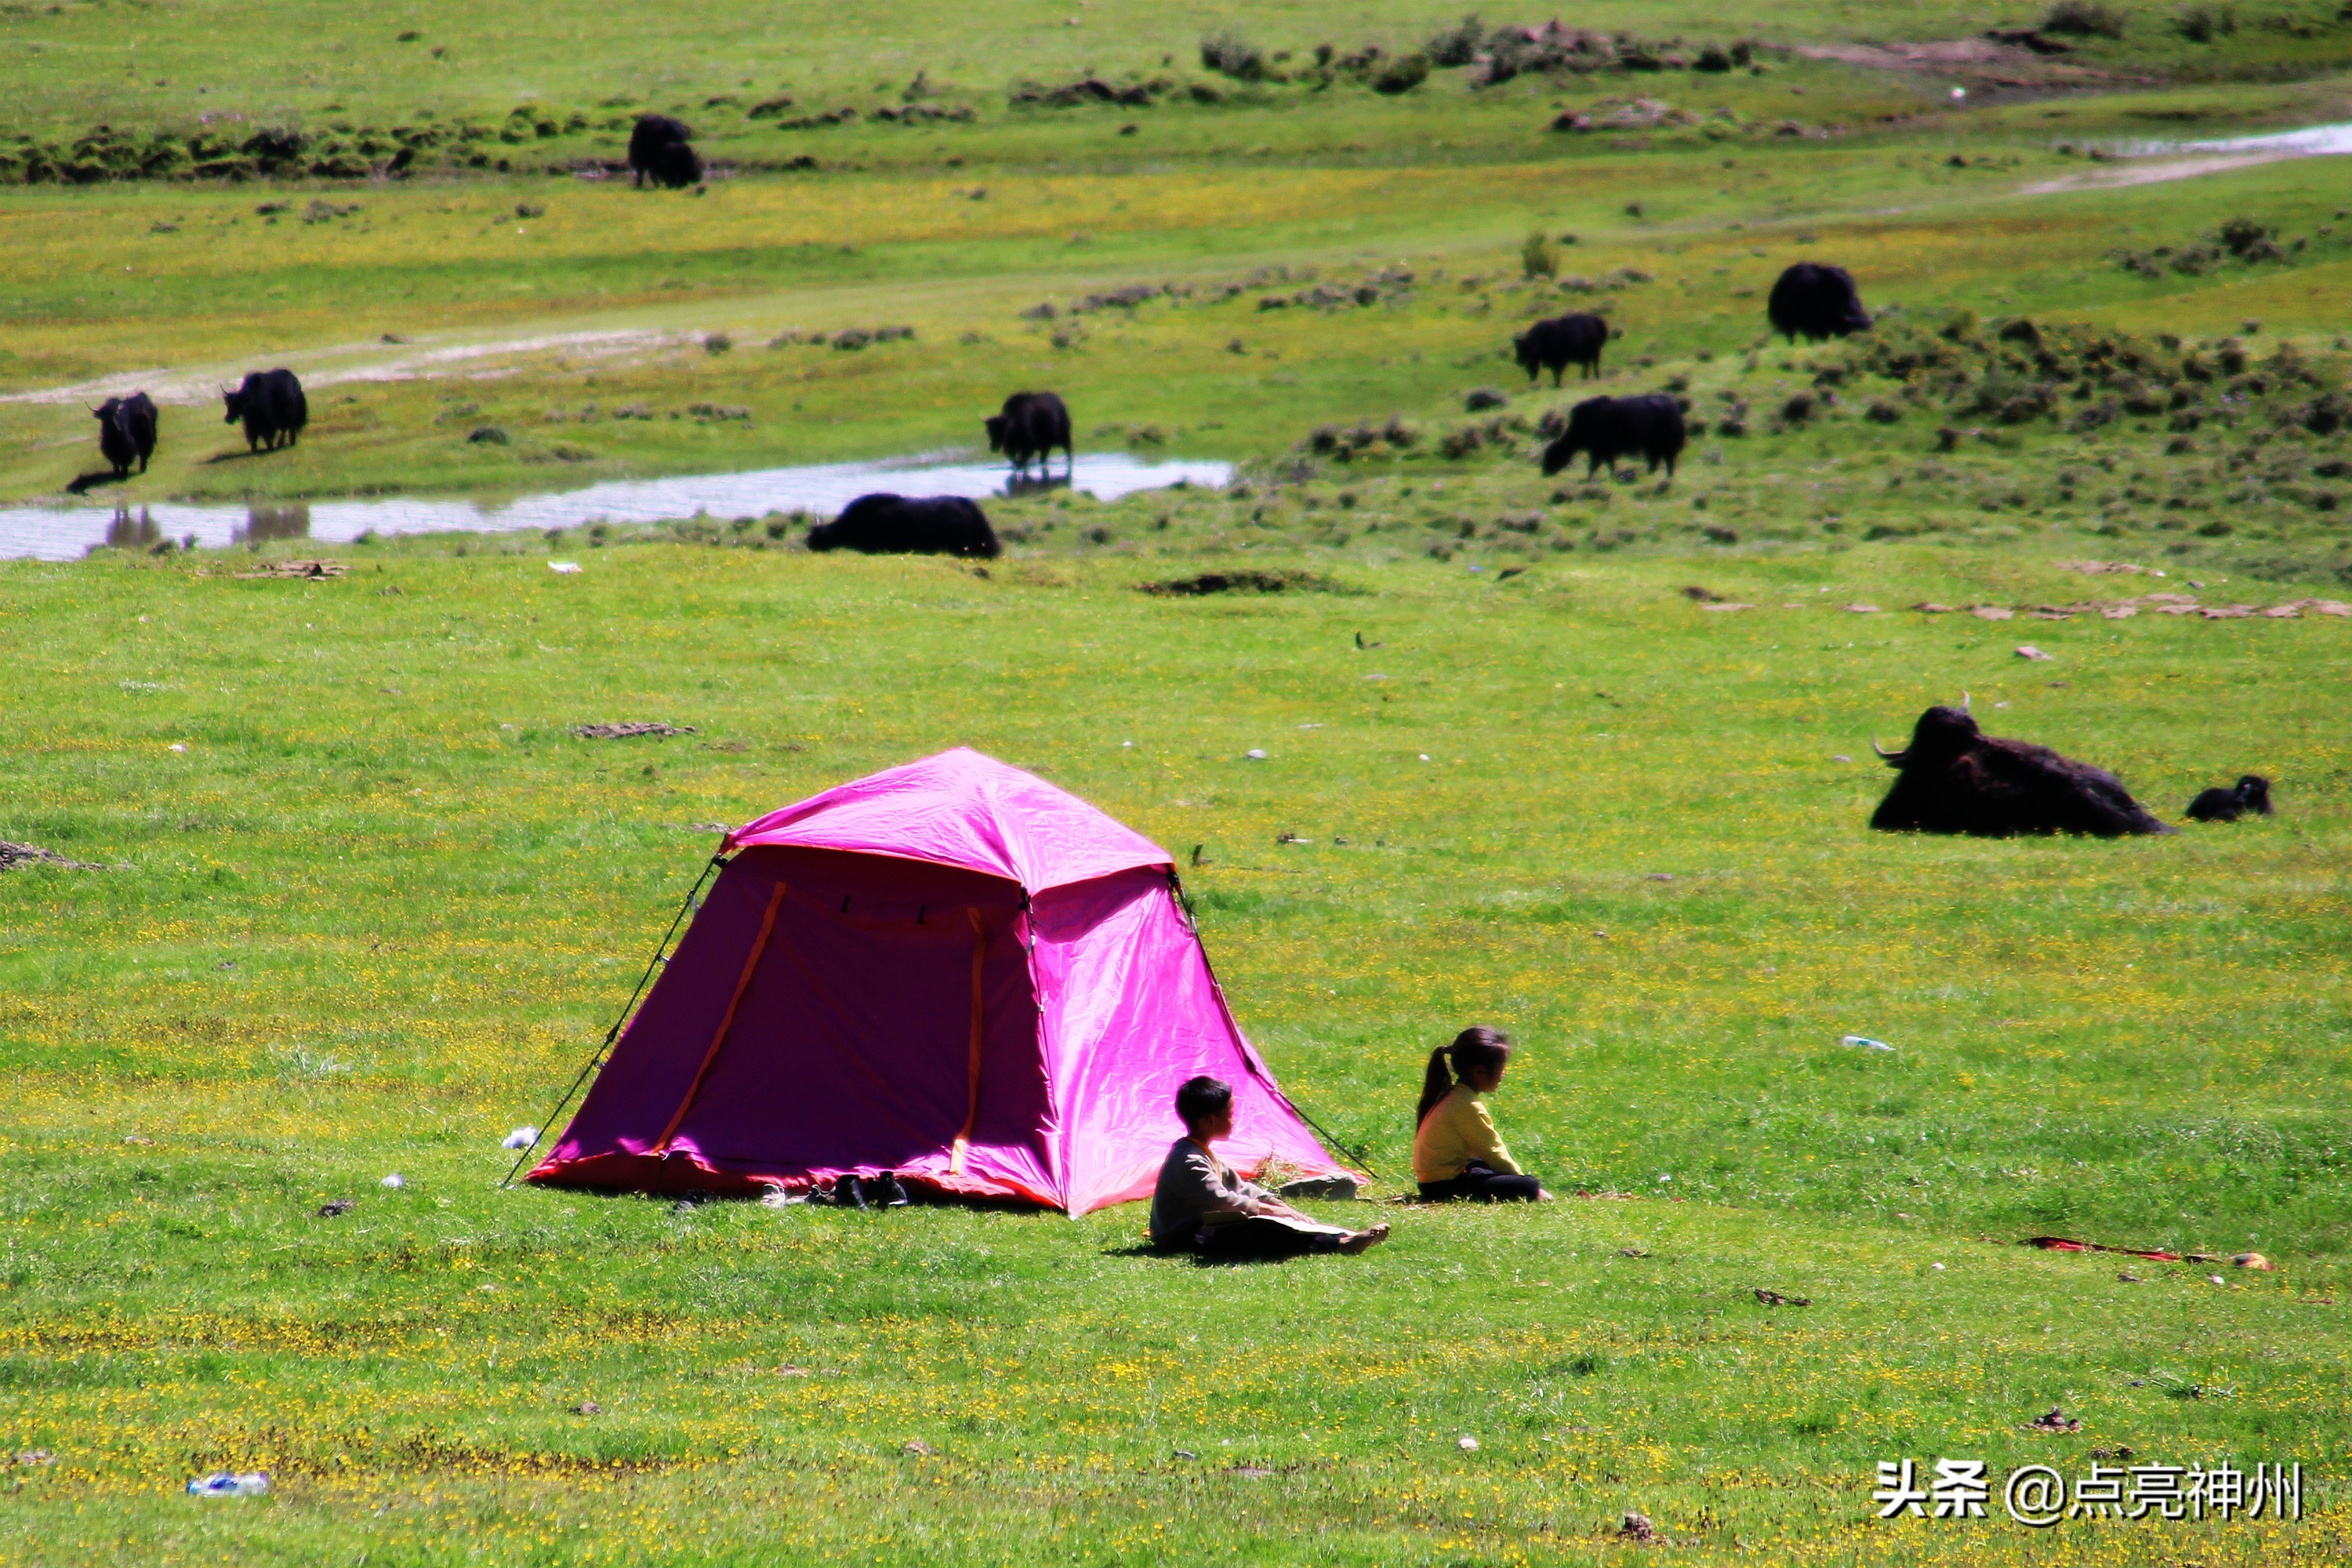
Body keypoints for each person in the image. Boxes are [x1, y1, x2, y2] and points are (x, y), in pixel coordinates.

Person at [1149, 1076, 1390, 1258]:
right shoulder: (1188, 1159)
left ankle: (1339, 1234)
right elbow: (1219, 1200)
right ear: (1210, 1120)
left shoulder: (1201, 1151)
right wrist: (1269, 1212)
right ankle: (1339, 1244)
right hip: (1181, 1236)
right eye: (1230, 1114)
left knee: (1272, 1221)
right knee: (1260, 1230)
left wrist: (1279, 1205)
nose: (1234, 1120)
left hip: (1202, 1226)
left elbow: (1242, 1189)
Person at [1412, 1026, 1549, 1202]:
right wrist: (1527, 1183)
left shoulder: (1456, 1096)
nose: (1503, 1074)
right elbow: (1494, 1152)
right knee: (1529, 1185)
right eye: (1500, 1068)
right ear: (1479, 1072)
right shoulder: (1467, 1105)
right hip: (1443, 1185)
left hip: (1439, 1180)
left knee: (1483, 1167)